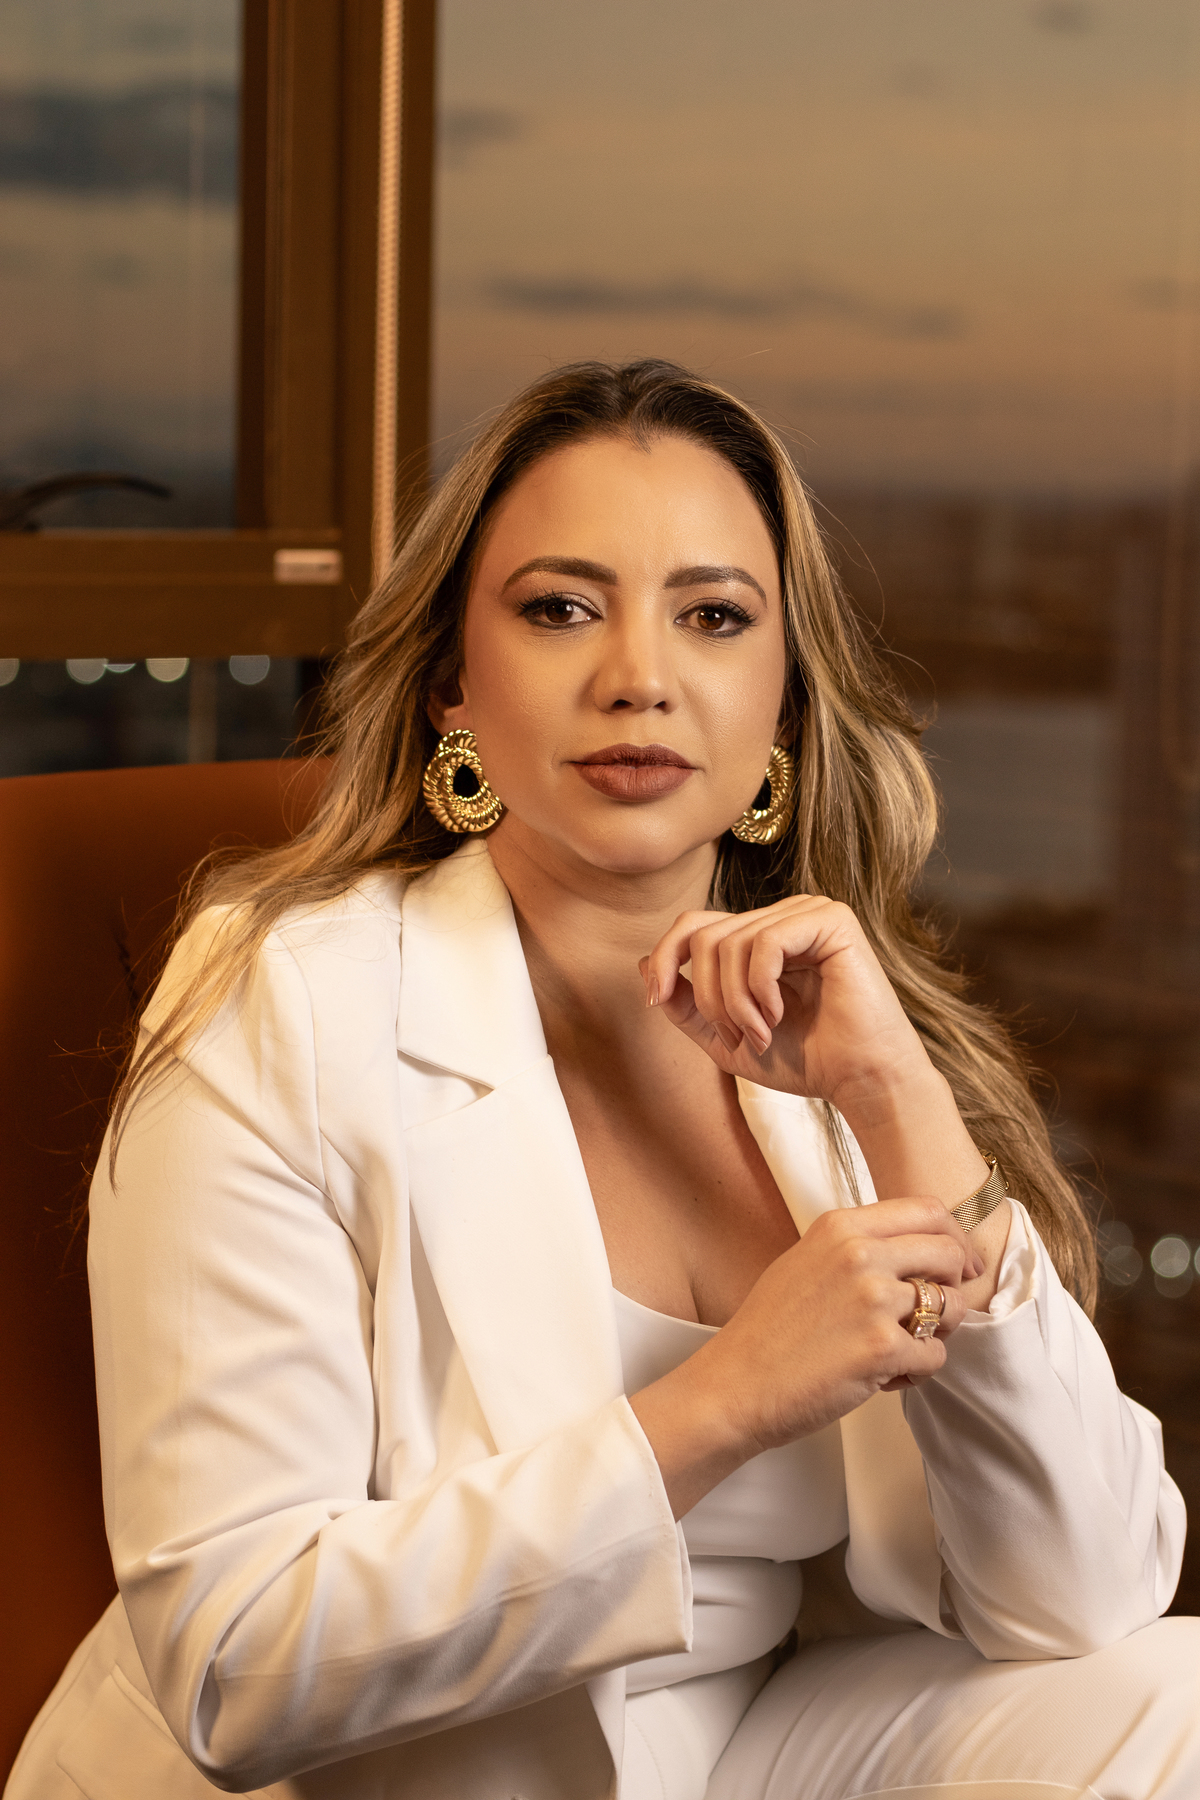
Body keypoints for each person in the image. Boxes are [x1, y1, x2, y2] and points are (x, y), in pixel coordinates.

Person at [7, 360, 1196, 1800]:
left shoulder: (834, 1034)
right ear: (452, 683)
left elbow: (1084, 1593)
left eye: (714, 616)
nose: (639, 674)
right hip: (388, 1783)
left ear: (782, 704)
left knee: (1173, 1701)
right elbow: (235, 1658)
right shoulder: (284, 997)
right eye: (562, 608)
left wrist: (899, 1098)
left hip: (729, 1746)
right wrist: (724, 1400)